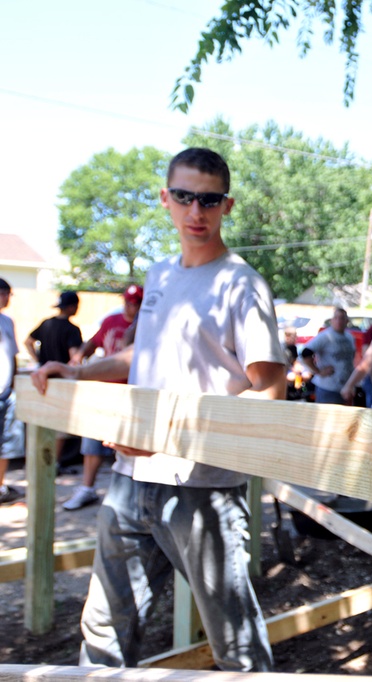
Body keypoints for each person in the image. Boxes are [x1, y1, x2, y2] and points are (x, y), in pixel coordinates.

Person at [31, 147, 284, 671]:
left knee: (236, 649)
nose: (197, 212)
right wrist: (76, 371)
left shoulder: (243, 285)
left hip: (204, 491)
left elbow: (269, 394)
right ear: (166, 199)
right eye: (186, 197)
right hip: (129, 479)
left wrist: (166, 434)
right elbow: (141, 353)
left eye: (210, 200)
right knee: (102, 630)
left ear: (227, 206)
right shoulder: (161, 274)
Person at [62, 284, 143, 511]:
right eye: (128, 302)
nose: (131, 307)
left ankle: (126, 496)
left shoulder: (147, 325)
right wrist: (78, 358)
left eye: (136, 303)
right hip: (105, 389)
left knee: (128, 447)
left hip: (133, 394)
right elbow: (94, 342)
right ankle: (87, 488)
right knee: (93, 442)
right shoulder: (111, 321)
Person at [25, 291, 83, 469]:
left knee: (41, 420)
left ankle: (38, 463)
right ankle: (53, 464)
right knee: (59, 424)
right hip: (60, 380)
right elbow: (75, 358)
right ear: (72, 307)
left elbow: (28, 341)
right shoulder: (72, 329)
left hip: (41, 378)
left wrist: (38, 361)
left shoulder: (46, 323)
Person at [300, 306, 355, 405]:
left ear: (346, 321)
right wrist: (318, 371)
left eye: (342, 318)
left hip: (345, 387)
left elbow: (351, 359)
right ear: (332, 320)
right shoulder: (325, 336)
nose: (339, 321)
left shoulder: (349, 337)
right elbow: (305, 353)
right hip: (328, 387)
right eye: (336, 318)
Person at [0, 278, 23, 505]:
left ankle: (1, 486)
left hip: (6, 392)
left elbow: (12, 355)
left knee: (5, 443)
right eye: (7, 293)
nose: (8, 299)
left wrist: (14, 383)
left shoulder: (7, 321)